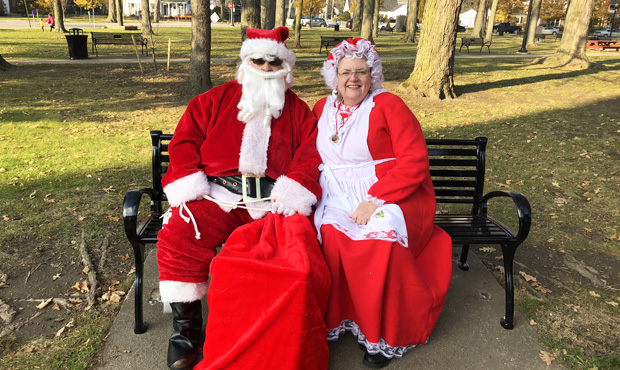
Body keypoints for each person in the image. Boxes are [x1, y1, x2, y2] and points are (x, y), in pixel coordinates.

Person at [156, 27, 322, 370]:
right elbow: (183, 143)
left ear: (284, 67)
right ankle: (186, 335)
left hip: (272, 203)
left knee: (291, 254)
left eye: (272, 61)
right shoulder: (212, 100)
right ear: (245, 61)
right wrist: (190, 184)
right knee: (178, 235)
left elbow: (310, 156)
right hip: (218, 195)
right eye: (257, 60)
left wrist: (292, 192)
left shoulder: (299, 111)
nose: (264, 67)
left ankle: (267, 333)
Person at [312, 38, 453, 368]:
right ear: (334, 74)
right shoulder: (321, 107)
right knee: (330, 234)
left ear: (372, 73)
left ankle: (382, 334)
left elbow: (414, 161)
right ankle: (340, 320)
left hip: (391, 192)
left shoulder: (390, 105)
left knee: (381, 235)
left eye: (361, 71)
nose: (353, 79)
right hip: (335, 193)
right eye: (346, 72)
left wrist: (374, 199)